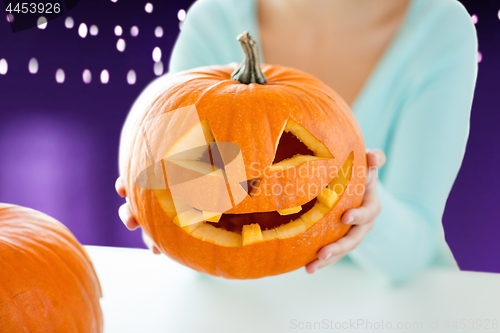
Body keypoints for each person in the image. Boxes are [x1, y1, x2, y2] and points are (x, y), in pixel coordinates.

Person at [116, 0, 477, 284]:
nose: (261, 184)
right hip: (241, 312)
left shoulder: (440, 27)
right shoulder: (212, 21)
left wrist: (365, 212)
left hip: (406, 310)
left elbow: (412, 256)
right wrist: (162, 209)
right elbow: (202, 232)